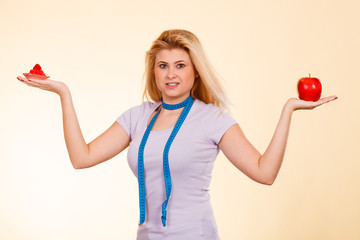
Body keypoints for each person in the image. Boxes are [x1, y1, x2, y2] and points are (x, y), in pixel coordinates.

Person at [17, 29, 337, 240]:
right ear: (153, 71)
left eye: (181, 65)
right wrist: (64, 93)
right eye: (163, 66)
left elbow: (265, 173)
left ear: (195, 71)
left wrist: (288, 111)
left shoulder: (212, 119)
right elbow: (81, 158)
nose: (171, 74)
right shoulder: (138, 116)